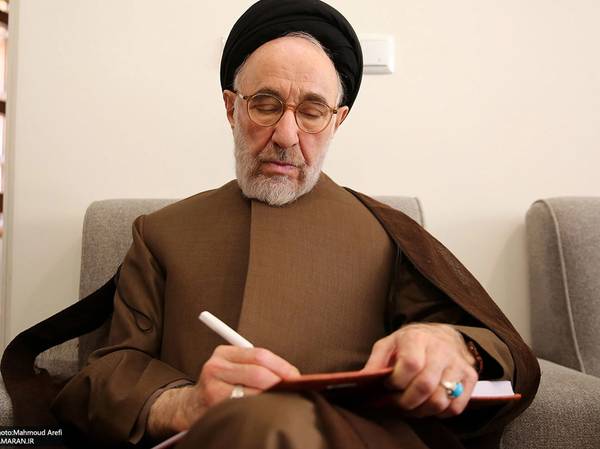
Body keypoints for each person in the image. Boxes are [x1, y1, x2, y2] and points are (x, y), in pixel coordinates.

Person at [50, 1, 540, 448]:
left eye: (312, 111)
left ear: (337, 121)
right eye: (265, 104)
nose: (286, 135)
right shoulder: (161, 233)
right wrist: (184, 404)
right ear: (232, 108)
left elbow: (490, 347)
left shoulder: (386, 234)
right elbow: (108, 372)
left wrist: (451, 346)